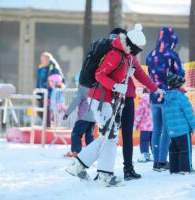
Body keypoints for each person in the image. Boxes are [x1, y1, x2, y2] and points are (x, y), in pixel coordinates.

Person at [66, 24, 146, 187]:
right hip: (100, 99)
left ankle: (83, 167)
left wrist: (125, 75)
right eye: (138, 48)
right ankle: (101, 174)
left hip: (104, 100)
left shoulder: (124, 55)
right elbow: (99, 75)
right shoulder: (116, 54)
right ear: (131, 45)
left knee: (108, 136)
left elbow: (115, 75)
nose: (137, 53)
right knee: (110, 136)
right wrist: (116, 86)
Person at [109, 28, 165, 180]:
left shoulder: (123, 55)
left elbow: (140, 75)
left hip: (111, 98)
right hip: (123, 98)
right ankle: (126, 169)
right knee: (124, 136)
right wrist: (156, 89)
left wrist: (155, 88)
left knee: (108, 136)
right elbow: (141, 75)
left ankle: (105, 170)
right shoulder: (127, 56)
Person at [146, 27, 185, 171]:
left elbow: (149, 74)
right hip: (167, 97)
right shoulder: (172, 55)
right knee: (167, 130)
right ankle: (162, 161)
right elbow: (180, 75)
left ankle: (156, 161)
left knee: (156, 130)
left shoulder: (151, 54)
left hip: (153, 96)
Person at [163, 74, 195, 174]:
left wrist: (168, 128)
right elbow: (189, 113)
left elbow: (165, 115)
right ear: (178, 86)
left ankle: (174, 169)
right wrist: (193, 126)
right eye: (182, 85)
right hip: (183, 130)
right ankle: (186, 169)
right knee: (185, 149)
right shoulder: (182, 98)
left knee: (173, 149)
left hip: (172, 130)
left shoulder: (167, 98)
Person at [63, 85, 96, 157]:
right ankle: (91, 153)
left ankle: (76, 151)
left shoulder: (83, 88)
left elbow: (75, 101)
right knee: (89, 135)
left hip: (84, 116)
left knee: (76, 134)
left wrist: (67, 113)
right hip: (94, 116)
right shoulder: (96, 86)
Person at [36, 52, 66, 127]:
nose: (42, 61)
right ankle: (49, 125)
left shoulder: (54, 68)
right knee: (40, 111)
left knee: (50, 112)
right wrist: (38, 94)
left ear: (48, 59)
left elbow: (59, 80)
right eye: (41, 60)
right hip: (42, 94)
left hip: (50, 95)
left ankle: (49, 127)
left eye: (43, 59)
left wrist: (53, 91)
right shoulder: (41, 68)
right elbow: (38, 81)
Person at [134, 88, 153, 163]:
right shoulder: (155, 100)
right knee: (153, 141)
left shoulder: (142, 101)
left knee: (144, 140)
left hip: (145, 126)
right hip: (155, 126)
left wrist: (135, 124)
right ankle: (155, 155)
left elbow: (139, 113)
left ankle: (145, 155)